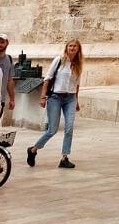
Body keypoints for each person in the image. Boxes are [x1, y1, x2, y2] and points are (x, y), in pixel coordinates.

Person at [27, 39, 82, 169]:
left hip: (71, 98)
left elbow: (77, 84)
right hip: (55, 97)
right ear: (66, 47)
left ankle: (64, 157)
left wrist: (77, 100)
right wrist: (42, 97)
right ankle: (33, 149)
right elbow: (48, 79)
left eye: (75, 46)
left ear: (78, 49)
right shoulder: (59, 61)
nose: (72, 48)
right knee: (52, 130)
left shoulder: (78, 64)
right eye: (70, 46)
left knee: (69, 128)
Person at [0, 33, 16, 115]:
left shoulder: (9, 59)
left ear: (7, 43)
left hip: (0, 99)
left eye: (2, 42)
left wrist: (12, 99)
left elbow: (10, 80)